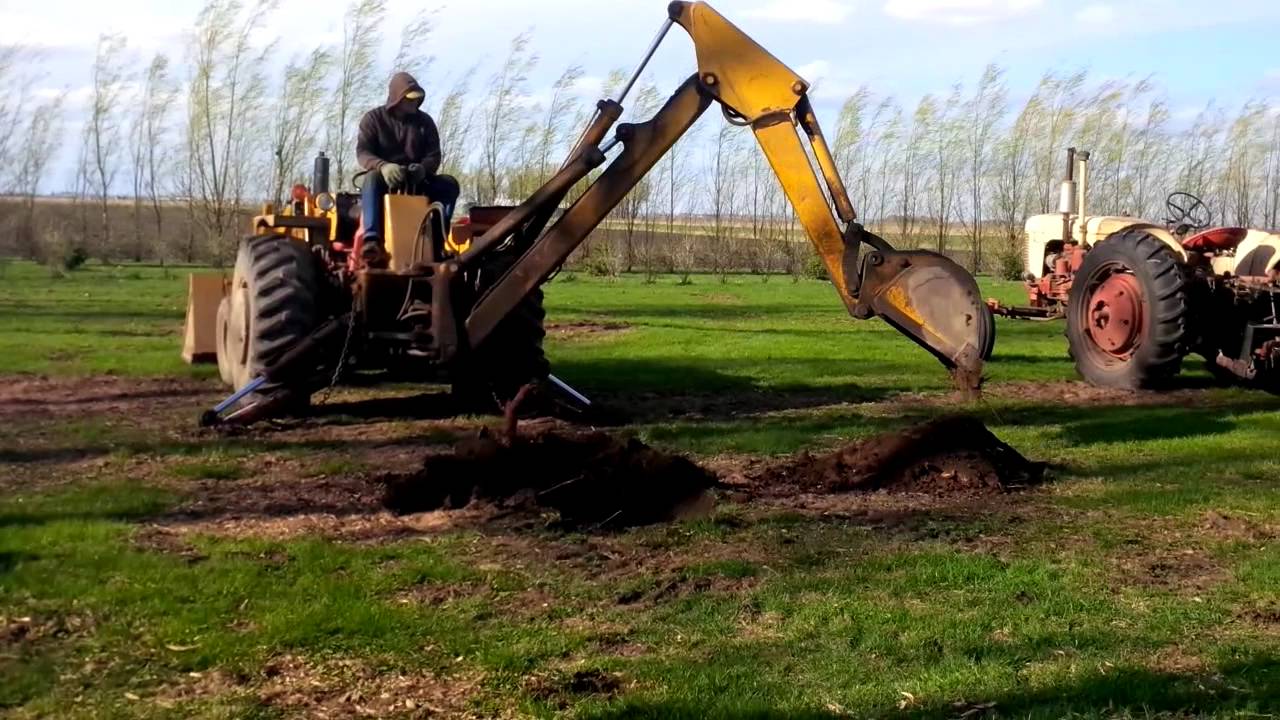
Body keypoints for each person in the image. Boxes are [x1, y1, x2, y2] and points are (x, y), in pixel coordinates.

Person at [355, 71, 460, 260]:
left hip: (418, 180)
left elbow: (434, 155)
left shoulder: (425, 122)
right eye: (409, 99)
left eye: (417, 99)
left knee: (449, 184)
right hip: (383, 179)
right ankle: (372, 241)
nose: (414, 103)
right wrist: (383, 166)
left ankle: (437, 243)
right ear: (397, 98)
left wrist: (423, 169)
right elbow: (363, 152)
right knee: (371, 180)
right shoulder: (373, 119)